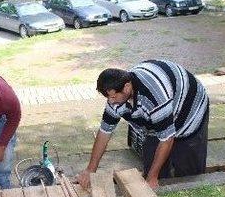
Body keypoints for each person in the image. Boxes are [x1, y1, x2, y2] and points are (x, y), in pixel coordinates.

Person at [77, 59, 210, 189]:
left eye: (113, 97)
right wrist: (90, 170)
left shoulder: (153, 97)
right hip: (157, 117)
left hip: (190, 112)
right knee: (154, 168)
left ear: (127, 87)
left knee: (188, 175)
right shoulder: (115, 99)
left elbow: (167, 139)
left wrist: (152, 177)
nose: (111, 102)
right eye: (108, 98)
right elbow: (104, 132)